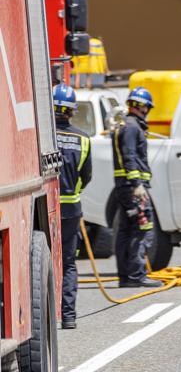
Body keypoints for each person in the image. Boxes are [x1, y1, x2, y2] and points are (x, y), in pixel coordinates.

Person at [111, 87, 160, 288]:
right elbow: (129, 156)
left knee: (126, 229)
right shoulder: (132, 127)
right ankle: (136, 276)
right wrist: (137, 185)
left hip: (125, 187)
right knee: (143, 228)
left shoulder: (127, 125)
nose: (147, 111)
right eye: (147, 107)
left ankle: (126, 277)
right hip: (133, 188)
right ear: (141, 106)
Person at [54, 84, 91, 329]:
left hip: (44, 208)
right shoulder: (83, 139)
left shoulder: (43, 135)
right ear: (71, 111)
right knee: (68, 263)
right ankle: (68, 317)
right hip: (71, 208)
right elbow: (86, 176)